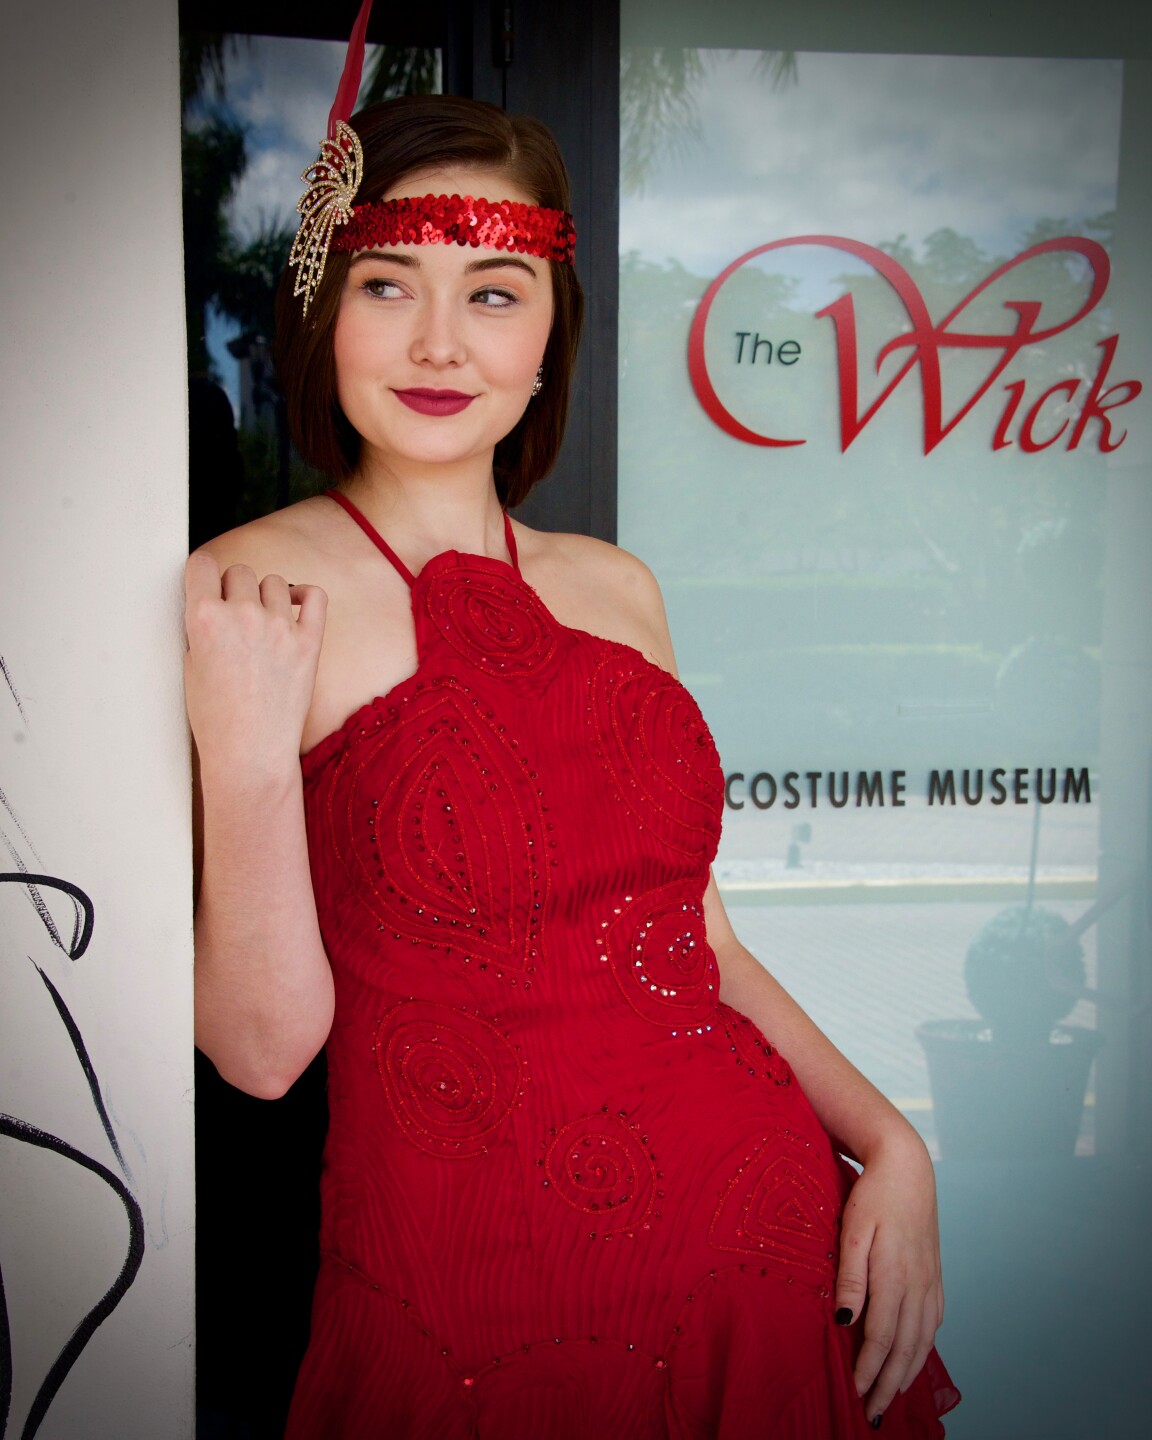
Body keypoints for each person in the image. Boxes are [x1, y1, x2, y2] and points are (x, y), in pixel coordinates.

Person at [185, 33, 959, 1438]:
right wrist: (242, 753)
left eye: (494, 293)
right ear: (322, 313)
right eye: (386, 288)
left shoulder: (616, 585)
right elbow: (262, 1051)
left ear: (550, 333)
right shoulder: (248, 588)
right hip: (477, 1313)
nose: (440, 343)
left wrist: (890, 1142)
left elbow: (700, 945)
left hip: (759, 1263)